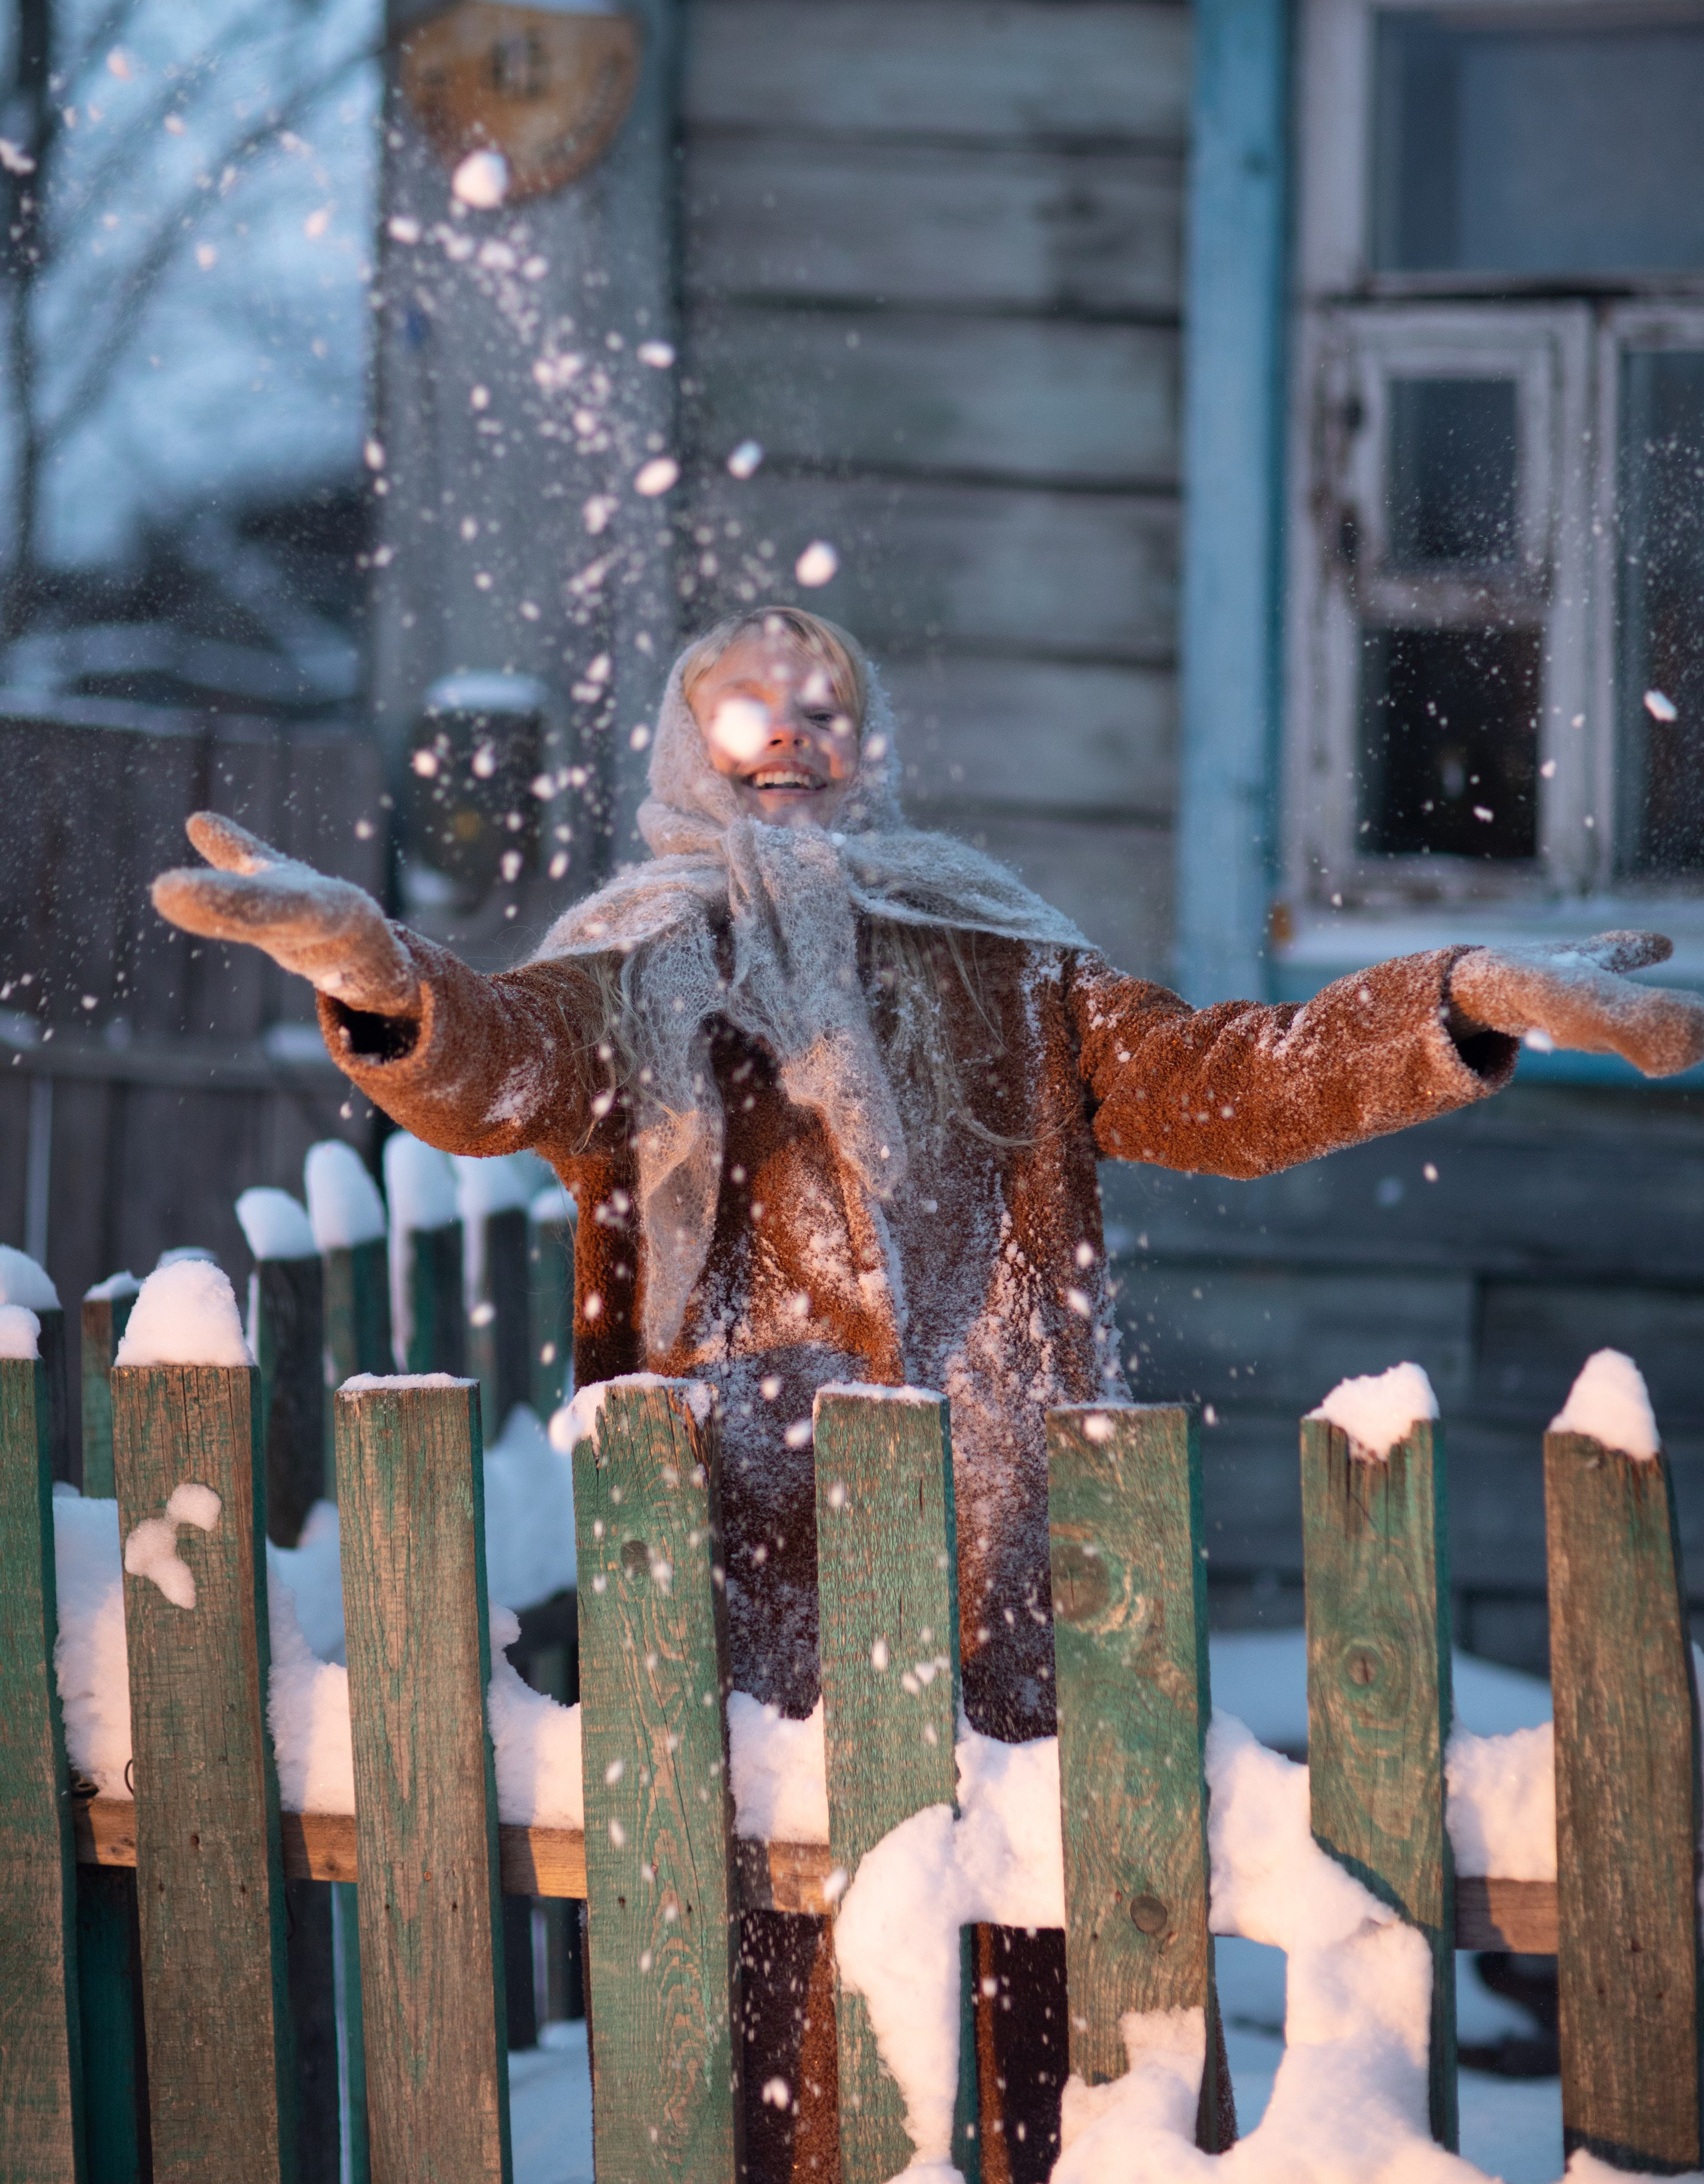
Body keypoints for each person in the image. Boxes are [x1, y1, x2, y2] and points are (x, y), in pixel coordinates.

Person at [153, 605, 1704, 2183]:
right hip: (736, 1628)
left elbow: (1228, 1081)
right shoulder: (627, 967)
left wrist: (1449, 1001)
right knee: (770, 2074)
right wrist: (375, 970)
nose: (791, 732)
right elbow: (494, 1069)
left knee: (1079, 2072)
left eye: (823, 704)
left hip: (1017, 1600)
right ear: (683, 753)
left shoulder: (1000, 955)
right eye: (747, 708)